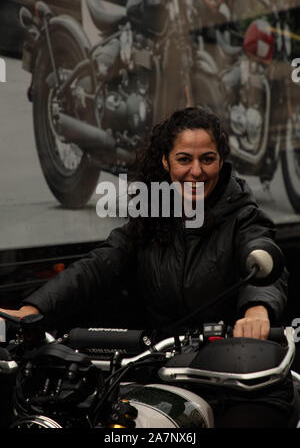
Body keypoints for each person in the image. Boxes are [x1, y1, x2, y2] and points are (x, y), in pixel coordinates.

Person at [0, 107, 297, 427]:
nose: (196, 171)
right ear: (166, 162)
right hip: (164, 373)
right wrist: (33, 307)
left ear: (220, 162)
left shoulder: (242, 216)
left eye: (207, 159)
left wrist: (257, 310)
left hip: (237, 379)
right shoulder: (150, 218)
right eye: (184, 159)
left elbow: (262, 255)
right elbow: (99, 265)